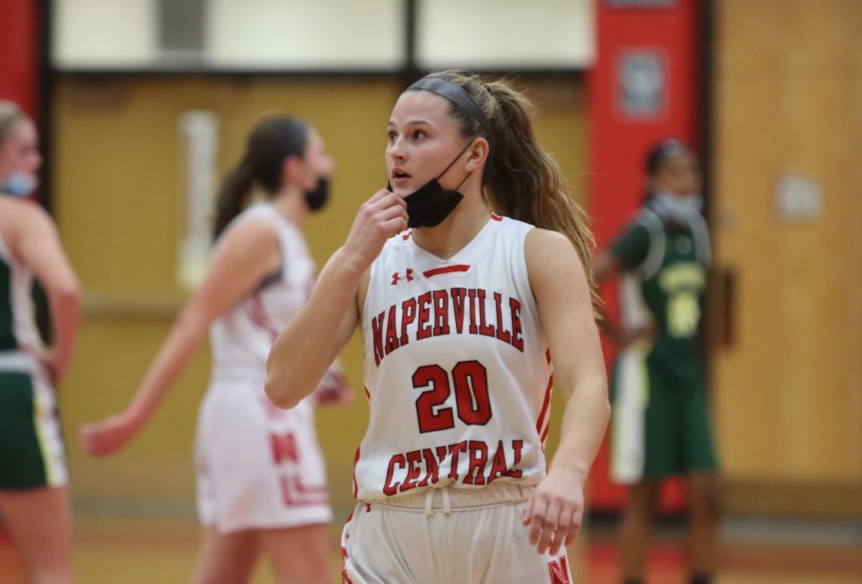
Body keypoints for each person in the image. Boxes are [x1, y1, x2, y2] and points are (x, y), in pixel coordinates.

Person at [266, 71, 610, 583]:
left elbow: (589, 385)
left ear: (474, 155)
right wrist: (346, 262)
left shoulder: (534, 252)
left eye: (418, 136)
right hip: (391, 527)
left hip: (509, 519)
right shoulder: (368, 264)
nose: (397, 152)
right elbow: (282, 385)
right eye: (392, 136)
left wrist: (568, 473)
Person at [80, 114, 348, 584]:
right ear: (295, 169)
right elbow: (193, 320)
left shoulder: (285, 235)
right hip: (259, 416)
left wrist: (323, 377)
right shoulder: (259, 231)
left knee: (221, 574)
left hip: (253, 416)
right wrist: (134, 418)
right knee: (309, 576)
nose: (331, 164)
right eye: (321, 153)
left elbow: (269, 330)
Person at [0, 99, 81, 584]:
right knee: (50, 566)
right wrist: (59, 358)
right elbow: (66, 289)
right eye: (24, 150)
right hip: (8, 386)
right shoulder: (17, 215)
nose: (36, 162)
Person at [593, 139, 718, 584]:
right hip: (646, 374)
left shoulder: (697, 231)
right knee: (645, 495)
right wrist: (617, 332)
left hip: (687, 372)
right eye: (675, 173)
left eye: (692, 172)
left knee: (706, 489)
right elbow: (592, 276)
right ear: (654, 181)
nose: (686, 182)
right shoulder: (644, 231)